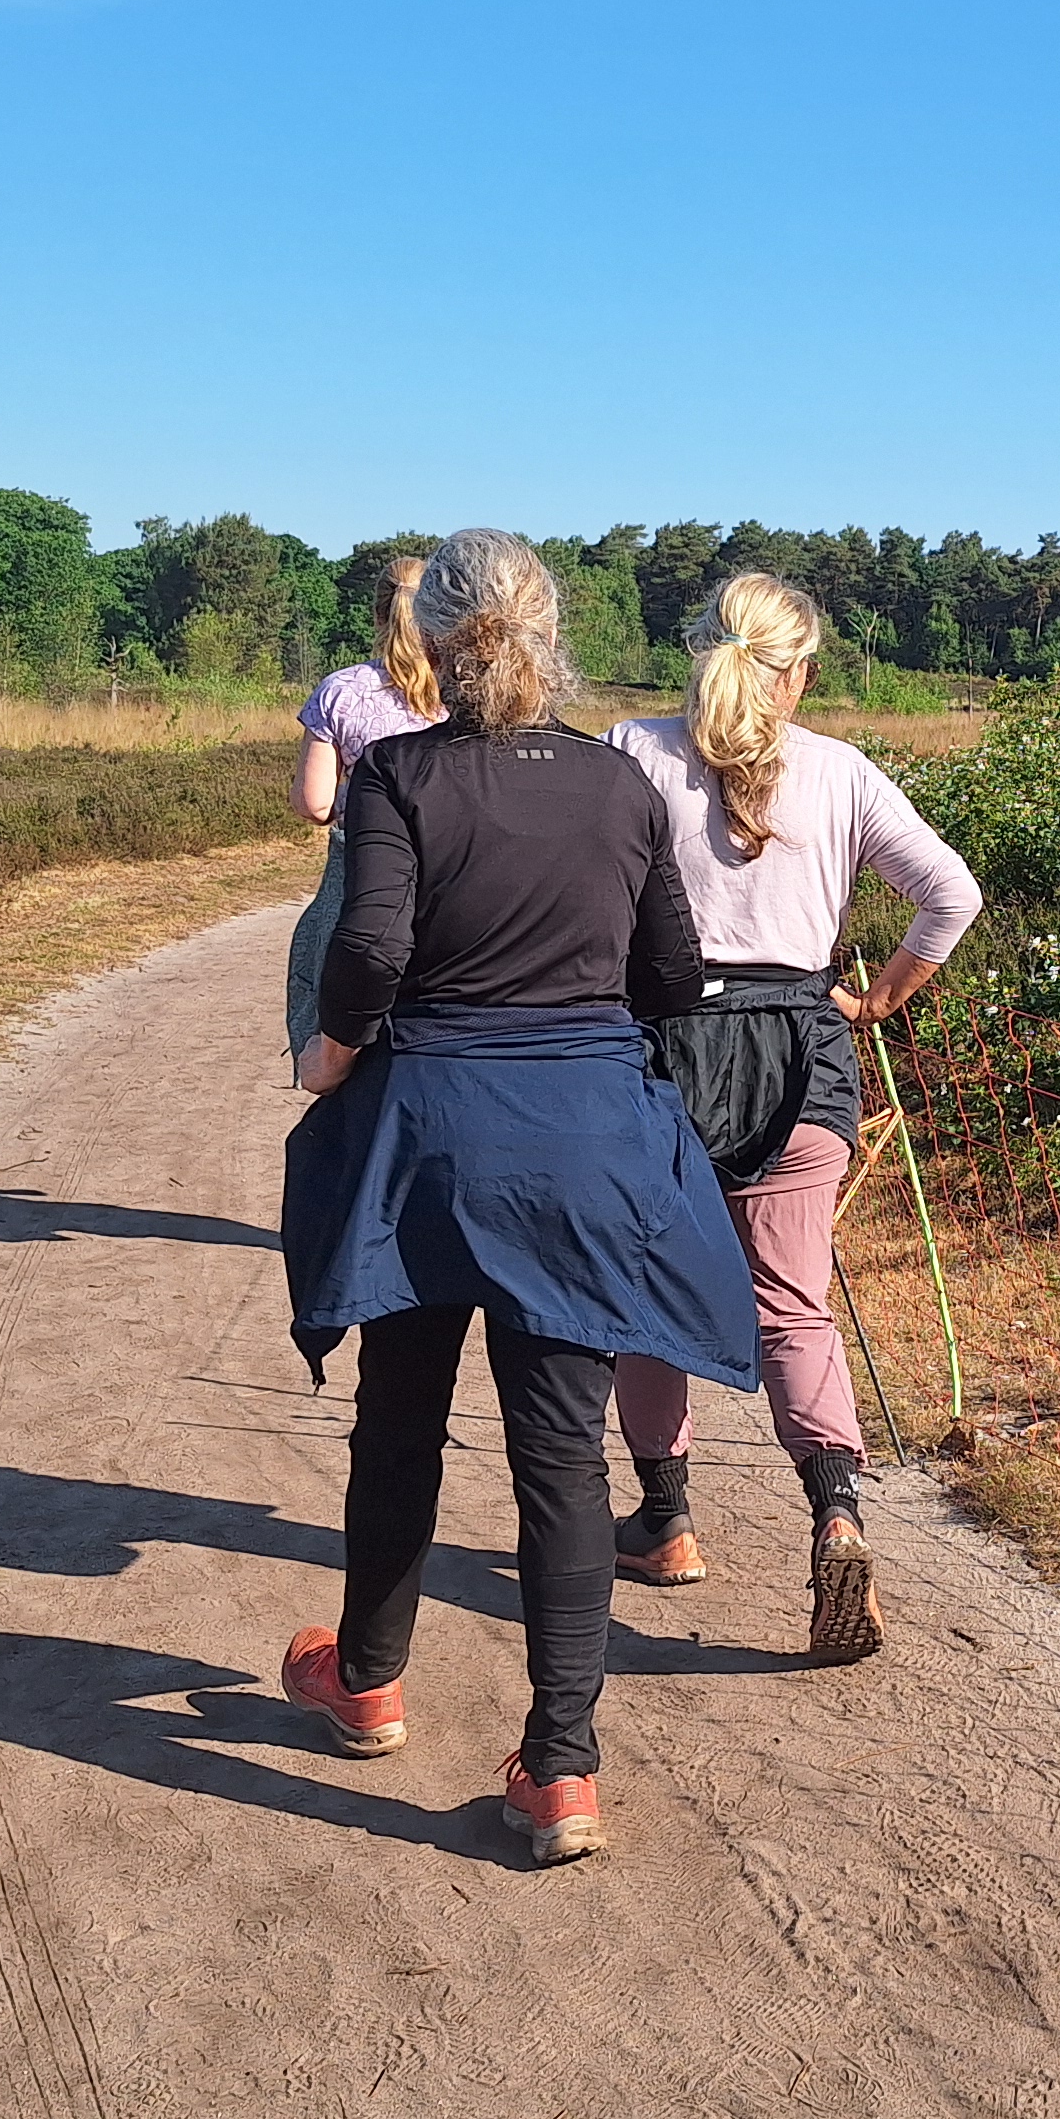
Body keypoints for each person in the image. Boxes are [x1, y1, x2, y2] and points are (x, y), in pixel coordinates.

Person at [276, 528, 758, 1865]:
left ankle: (366, 1680)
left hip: (431, 1136)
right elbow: (672, 977)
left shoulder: (401, 776)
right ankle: (561, 1767)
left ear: (426, 638)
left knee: (403, 1419)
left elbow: (367, 950)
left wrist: (332, 1052)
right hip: (582, 1149)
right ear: (554, 633)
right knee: (560, 1452)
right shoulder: (619, 785)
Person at [606, 573, 982, 1661]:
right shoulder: (844, 773)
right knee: (792, 1303)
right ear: (800, 671)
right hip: (802, 1051)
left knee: (646, 1294)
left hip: (659, 1050)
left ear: (697, 656)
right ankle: (836, 1510)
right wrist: (877, 999)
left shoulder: (631, 750)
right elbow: (949, 895)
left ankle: (667, 1520)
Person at [281, 554, 442, 1062]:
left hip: (360, 868)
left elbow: (315, 804)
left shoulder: (341, 691)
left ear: (377, 614)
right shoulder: (465, 689)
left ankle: (323, 1057)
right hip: (453, 869)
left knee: (329, 953)